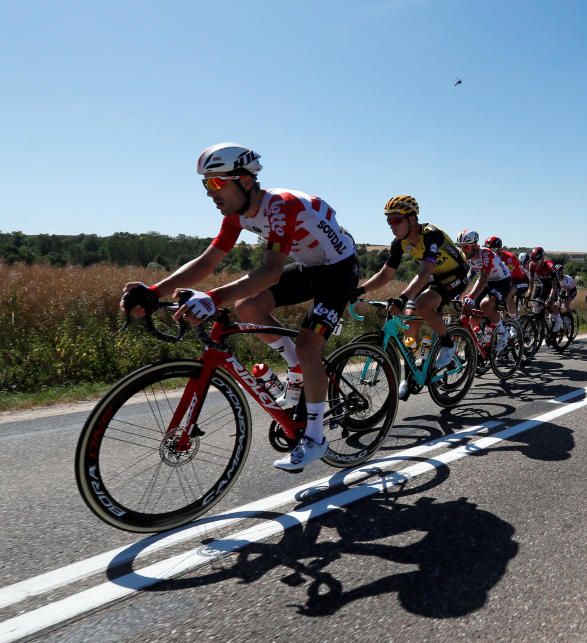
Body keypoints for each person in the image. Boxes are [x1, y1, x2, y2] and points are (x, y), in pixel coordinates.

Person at [121, 142, 359, 473]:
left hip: (339, 270)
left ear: (245, 181)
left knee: (308, 344)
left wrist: (213, 298)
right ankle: (298, 369)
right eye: (206, 184)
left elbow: (271, 271)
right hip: (309, 266)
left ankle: (316, 437)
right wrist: (154, 291)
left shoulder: (281, 206)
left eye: (216, 183)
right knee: (248, 308)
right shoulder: (235, 216)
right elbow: (208, 261)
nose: (209, 193)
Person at [356, 195, 469, 398]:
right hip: (436, 277)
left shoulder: (431, 235)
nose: (392, 225)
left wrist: (402, 296)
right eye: (389, 220)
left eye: (396, 220)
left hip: (456, 275)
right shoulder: (399, 243)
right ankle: (413, 372)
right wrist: (359, 291)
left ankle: (448, 345)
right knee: (409, 319)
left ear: (412, 219)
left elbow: (424, 272)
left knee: (422, 304)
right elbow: (385, 275)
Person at [456, 229, 511, 350]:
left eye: (466, 247)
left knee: (485, 304)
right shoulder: (468, 257)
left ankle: (503, 333)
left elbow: (483, 278)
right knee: (470, 310)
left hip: (502, 282)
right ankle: (481, 339)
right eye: (461, 247)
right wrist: (458, 294)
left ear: (475, 245)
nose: (463, 250)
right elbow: (467, 279)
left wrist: (470, 296)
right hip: (488, 282)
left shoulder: (486, 254)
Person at [484, 236, 529, 317]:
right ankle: (504, 322)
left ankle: (515, 321)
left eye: (492, 250)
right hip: (508, 281)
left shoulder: (509, 258)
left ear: (500, 249)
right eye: (488, 250)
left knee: (507, 296)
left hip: (521, 281)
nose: (489, 252)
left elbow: (508, 277)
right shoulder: (489, 258)